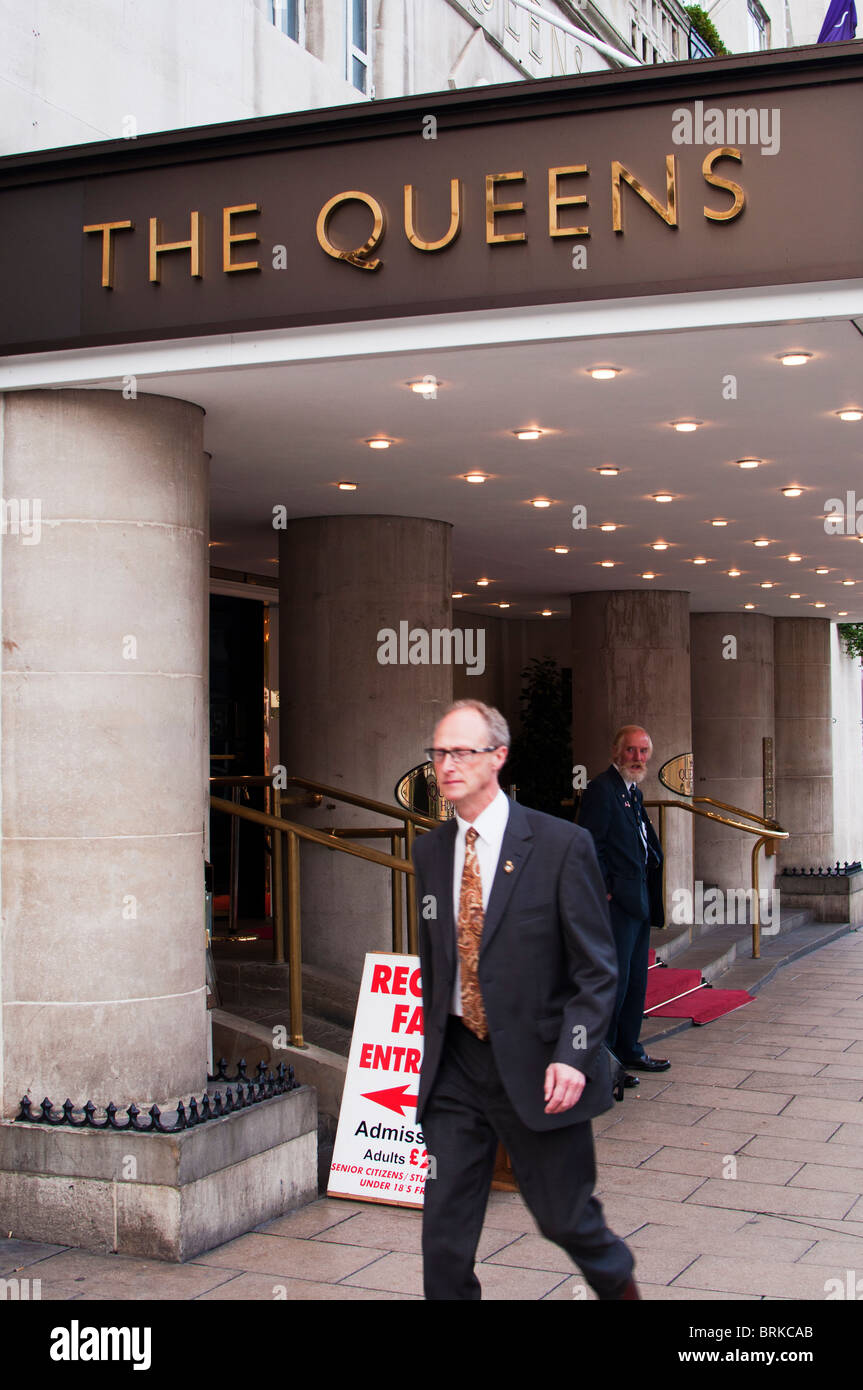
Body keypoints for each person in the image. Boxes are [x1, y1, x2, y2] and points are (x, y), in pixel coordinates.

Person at [412, 699, 637, 1302]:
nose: (447, 764)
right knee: (445, 1237)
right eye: (440, 752)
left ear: (499, 758)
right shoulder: (430, 854)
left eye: (462, 751)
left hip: (540, 1065)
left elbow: (597, 968)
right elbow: (439, 962)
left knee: (565, 1217)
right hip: (457, 1067)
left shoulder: (562, 846)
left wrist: (574, 1052)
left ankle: (622, 1291)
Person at [578, 725, 669, 1086]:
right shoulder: (601, 790)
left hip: (639, 900)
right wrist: (604, 890)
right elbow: (588, 843)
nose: (638, 758)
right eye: (631, 751)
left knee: (635, 982)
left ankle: (629, 1049)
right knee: (613, 985)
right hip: (617, 905)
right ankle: (605, 1063)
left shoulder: (633, 791)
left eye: (643, 751)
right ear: (616, 752)